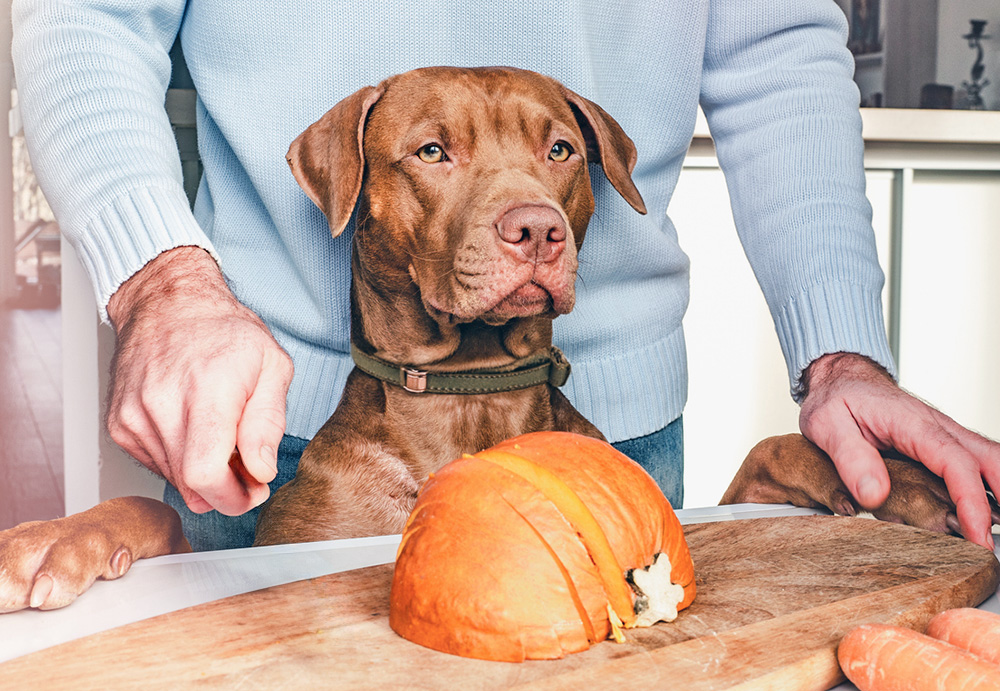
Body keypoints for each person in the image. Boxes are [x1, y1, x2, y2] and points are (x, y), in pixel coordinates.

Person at [12, 0, 999, 551]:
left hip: (603, 429)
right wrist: (161, 281)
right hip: (270, 419)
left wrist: (840, 354)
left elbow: (773, 47)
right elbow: (88, 12)